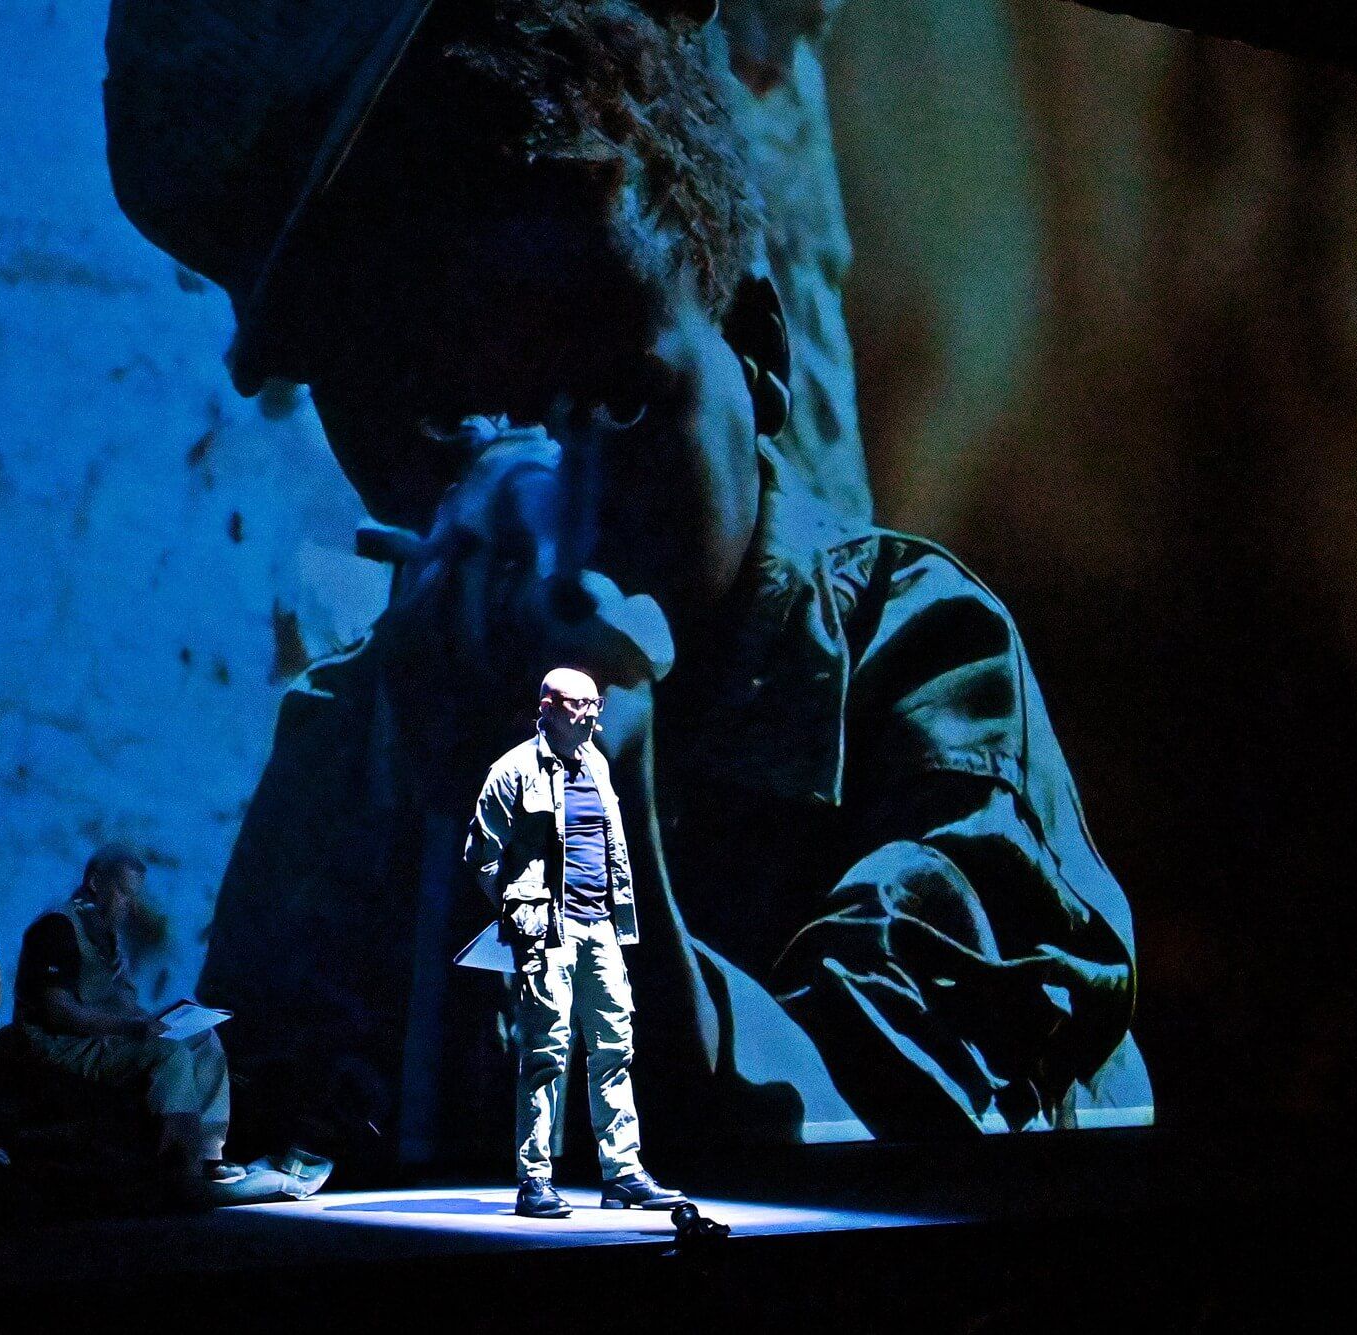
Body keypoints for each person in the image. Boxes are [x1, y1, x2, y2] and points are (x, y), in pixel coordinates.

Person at [112, 0, 1152, 1162]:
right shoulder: (354, 734)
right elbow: (274, 1116)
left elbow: (883, 1150)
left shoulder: (914, 662)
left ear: (758, 356)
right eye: (445, 421)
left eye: (615, 404)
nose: (542, 498)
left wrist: (597, 832)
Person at [468, 668, 687, 1217]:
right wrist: (518, 913)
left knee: (615, 1046)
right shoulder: (512, 770)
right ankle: (535, 1178)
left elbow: (611, 847)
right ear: (546, 706)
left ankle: (624, 1173)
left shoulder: (598, 765)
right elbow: (483, 854)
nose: (591, 714)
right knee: (545, 1052)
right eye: (578, 705)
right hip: (549, 933)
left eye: (594, 704)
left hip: (600, 929)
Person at [10, 845, 236, 1187]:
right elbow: (59, 1013)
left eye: (134, 897)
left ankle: (206, 1155)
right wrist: (131, 1028)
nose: (130, 906)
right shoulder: (56, 928)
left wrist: (164, 1021)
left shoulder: (106, 935)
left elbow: (121, 1001)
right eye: (124, 893)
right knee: (169, 1053)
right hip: (65, 1045)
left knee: (204, 1040)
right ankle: (179, 1163)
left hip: (108, 1037)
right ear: (96, 881)